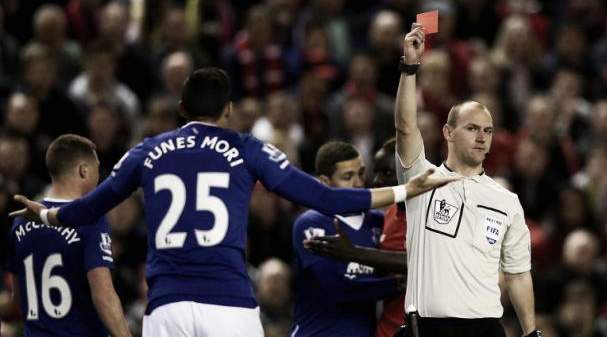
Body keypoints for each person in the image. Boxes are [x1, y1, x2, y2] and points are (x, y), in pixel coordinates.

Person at [9, 68, 457, 337]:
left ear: (181, 107)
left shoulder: (146, 150)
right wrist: (403, 190)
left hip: (166, 309)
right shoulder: (248, 148)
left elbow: (90, 207)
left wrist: (47, 212)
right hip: (228, 304)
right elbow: (324, 197)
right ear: (228, 110)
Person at [393, 24, 540, 337]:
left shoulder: (507, 201)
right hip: (427, 330)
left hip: (486, 330)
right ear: (448, 132)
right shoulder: (422, 179)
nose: (482, 137)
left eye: (487, 131)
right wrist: (410, 68)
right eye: (472, 128)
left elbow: (517, 274)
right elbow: (406, 128)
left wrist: (531, 332)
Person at [4, 134, 131, 336]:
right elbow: (103, 296)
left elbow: (18, 297)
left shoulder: (21, 221)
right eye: (97, 167)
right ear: (84, 170)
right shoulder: (91, 219)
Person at [292, 141, 402, 336]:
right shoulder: (311, 224)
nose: (358, 183)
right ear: (325, 182)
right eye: (347, 176)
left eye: (360, 173)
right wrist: (398, 284)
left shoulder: (379, 221)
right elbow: (340, 289)